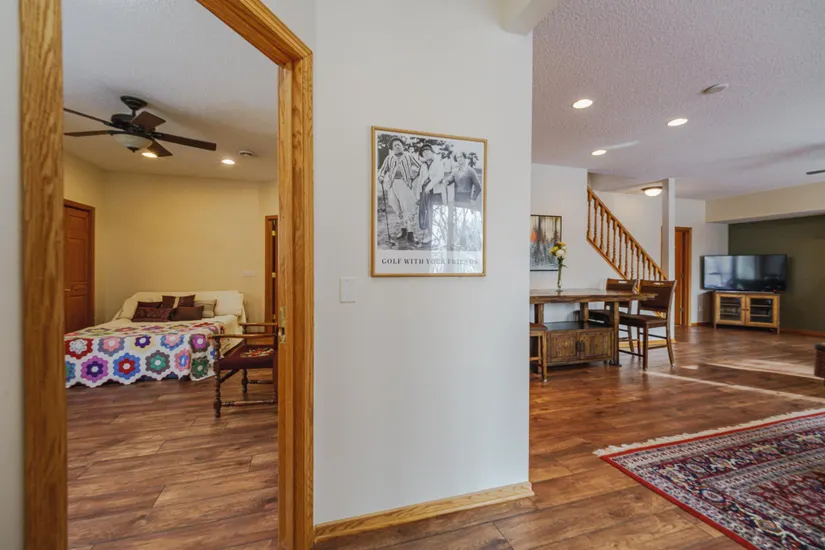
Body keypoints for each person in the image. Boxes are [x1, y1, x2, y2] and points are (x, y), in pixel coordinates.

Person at [377, 137, 421, 244]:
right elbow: (382, 170)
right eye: (395, 145)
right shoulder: (389, 158)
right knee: (397, 208)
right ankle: (403, 230)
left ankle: (410, 233)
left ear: (403, 146)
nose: (397, 146)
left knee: (408, 208)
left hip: (405, 184)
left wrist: (414, 176)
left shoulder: (409, 156)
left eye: (399, 144)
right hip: (392, 185)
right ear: (392, 148)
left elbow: (420, 166)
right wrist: (381, 177)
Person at [414, 144, 445, 246]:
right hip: (424, 192)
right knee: (424, 212)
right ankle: (428, 233)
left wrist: (429, 187)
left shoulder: (438, 163)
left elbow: (439, 176)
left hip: (435, 192)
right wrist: (418, 195)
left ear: (432, 152)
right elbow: (420, 181)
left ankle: (435, 235)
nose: (426, 153)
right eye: (423, 152)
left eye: (427, 150)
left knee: (434, 214)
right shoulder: (423, 166)